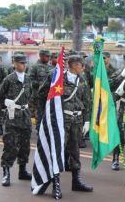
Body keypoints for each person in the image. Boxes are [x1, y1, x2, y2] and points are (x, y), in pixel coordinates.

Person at [38, 55, 93, 192]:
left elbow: (87, 101)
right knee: (58, 151)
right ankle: (55, 183)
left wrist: (87, 120)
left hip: (77, 121)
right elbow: (42, 92)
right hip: (62, 120)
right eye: (82, 65)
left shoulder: (82, 80)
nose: (84, 67)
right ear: (74, 65)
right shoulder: (58, 78)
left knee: (75, 151)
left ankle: (76, 181)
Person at [0, 54, 32, 187]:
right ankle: (6, 173)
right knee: (10, 146)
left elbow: (31, 94)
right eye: (21, 63)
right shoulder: (9, 79)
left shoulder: (28, 79)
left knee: (25, 145)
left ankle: (22, 171)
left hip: (25, 116)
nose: (24, 65)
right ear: (15, 64)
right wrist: (6, 103)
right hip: (12, 116)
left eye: (25, 63)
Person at [29, 49, 51, 129]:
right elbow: (30, 80)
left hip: (48, 96)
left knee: (47, 114)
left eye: (49, 56)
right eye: (47, 56)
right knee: (39, 114)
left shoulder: (50, 67)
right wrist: (40, 84)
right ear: (41, 56)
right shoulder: (35, 67)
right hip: (38, 96)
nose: (48, 58)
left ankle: (46, 129)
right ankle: (39, 129)